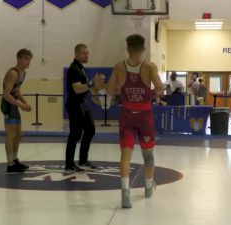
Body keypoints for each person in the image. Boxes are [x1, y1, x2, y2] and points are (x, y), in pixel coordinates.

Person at [106, 34, 163, 208]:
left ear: (127, 48)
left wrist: (121, 90)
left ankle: (125, 191)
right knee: (148, 155)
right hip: (144, 116)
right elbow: (159, 89)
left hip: (127, 115)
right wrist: (148, 95)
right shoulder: (149, 67)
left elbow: (109, 91)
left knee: (125, 154)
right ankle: (147, 187)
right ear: (143, 49)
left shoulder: (118, 67)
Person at [64, 44, 104, 173]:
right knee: (75, 134)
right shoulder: (74, 69)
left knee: (90, 130)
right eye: (84, 53)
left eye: (87, 53)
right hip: (75, 104)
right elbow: (76, 88)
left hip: (81, 104)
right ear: (76, 54)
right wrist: (92, 82)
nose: (87, 56)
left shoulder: (81, 68)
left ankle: (82, 160)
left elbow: (86, 86)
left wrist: (95, 87)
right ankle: (69, 164)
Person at [0, 49, 33, 173]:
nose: (28, 62)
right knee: (11, 135)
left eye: (30, 60)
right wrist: (21, 105)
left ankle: (15, 160)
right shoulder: (13, 73)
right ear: (19, 59)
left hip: (14, 104)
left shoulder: (23, 73)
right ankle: (10, 164)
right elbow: (6, 94)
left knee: (19, 135)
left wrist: (25, 102)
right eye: (26, 59)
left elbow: (16, 91)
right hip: (8, 105)